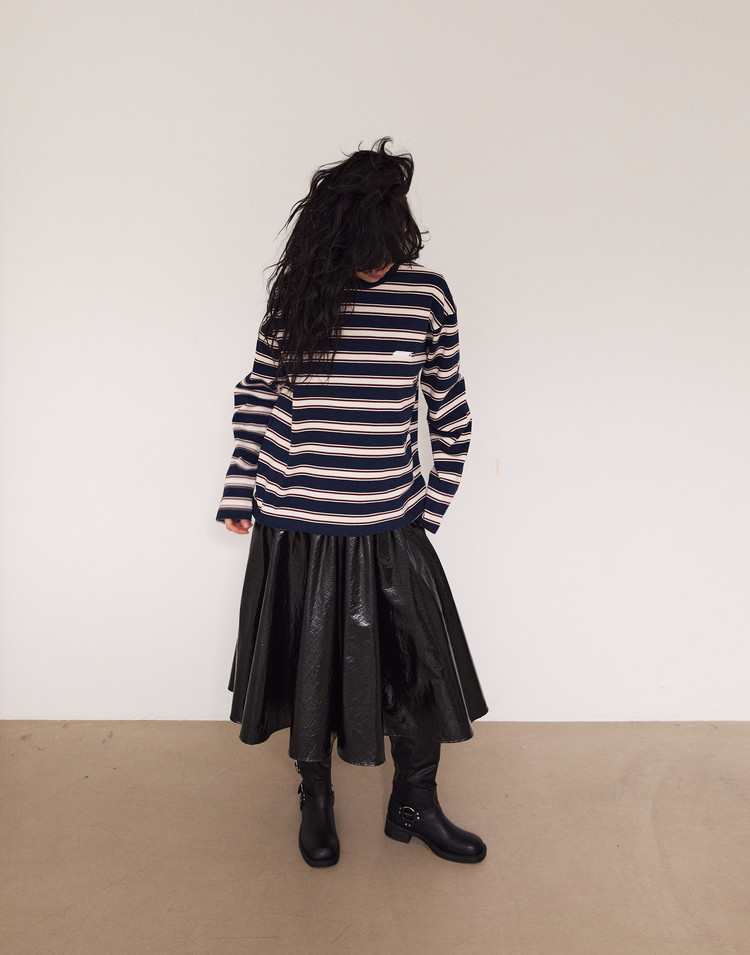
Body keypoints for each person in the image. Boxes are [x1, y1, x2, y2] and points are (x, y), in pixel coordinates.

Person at [216, 136, 488, 867]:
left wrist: (428, 508)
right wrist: (240, 486)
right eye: (363, 246)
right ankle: (317, 800)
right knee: (310, 671)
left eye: (387, 242)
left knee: (420, 672)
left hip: (389, 521)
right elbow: (259, 392)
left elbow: (450, 412)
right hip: (296, 521)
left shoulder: (426, 296)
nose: (376, 260)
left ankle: (415, 803)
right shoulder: (299, 293)